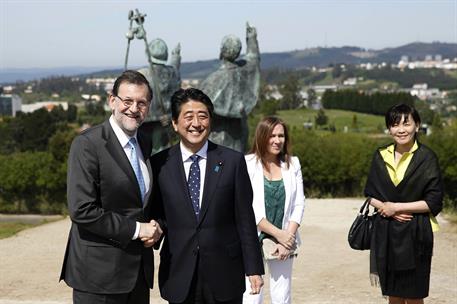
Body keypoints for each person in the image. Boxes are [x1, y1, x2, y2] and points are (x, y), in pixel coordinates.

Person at [150, 88, 264, 304]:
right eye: (188, 116)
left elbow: (245, 219)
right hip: (179, 271)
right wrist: (154, 228)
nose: (196, 123)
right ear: (175, 123)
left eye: (202, 116)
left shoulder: (233, 162)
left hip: (225, 273)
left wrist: (254, 268)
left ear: (210, 121)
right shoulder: (160, 165)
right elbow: (159, 214)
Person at [60, 70, 163, 304]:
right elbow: (82, 210)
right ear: (112, 100)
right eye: (127, 101)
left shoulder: (144, 142)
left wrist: (156, 226)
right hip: (98, 277)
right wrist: (138, 230)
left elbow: (141, 202)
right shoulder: (87, 144)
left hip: (137, 275)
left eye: (141, 103)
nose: (133, 108)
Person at [365, 103, 443, 304]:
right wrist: (386, 209)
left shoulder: (427, 158)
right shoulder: (380, 155)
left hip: (417, 234)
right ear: (389, 129)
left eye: (406, 124)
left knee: (414, 295)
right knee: (394, 295)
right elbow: (370, 195)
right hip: (387, 233)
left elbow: (434, 202)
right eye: (395, 124)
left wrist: (397, 207)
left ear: (417, 125)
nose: (401, 129)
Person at [243, 116, 305, 304]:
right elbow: (247, 206)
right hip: (254, 237)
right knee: (252, 295)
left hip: (285, 239)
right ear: (262, 136)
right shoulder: (247, 163)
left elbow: (299, 203)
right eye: (272, 135)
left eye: (281, 136)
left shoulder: (293, 164)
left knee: (282, 295)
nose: (277, 140)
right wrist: (279, 234)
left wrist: (287, 238)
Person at [199, 22, 260, 152]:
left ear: (221, 51)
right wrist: (252, 39)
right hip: (240, 136)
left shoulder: (212, 81)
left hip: (218, 139)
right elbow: (253, 59)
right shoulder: (245, 71)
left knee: (219, 170)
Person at [138, 38, 181, 153]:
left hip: (145, 123)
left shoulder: (141, 74)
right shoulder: (173, 73)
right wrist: (176, 56)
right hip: (165, 122)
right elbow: (175, 67)